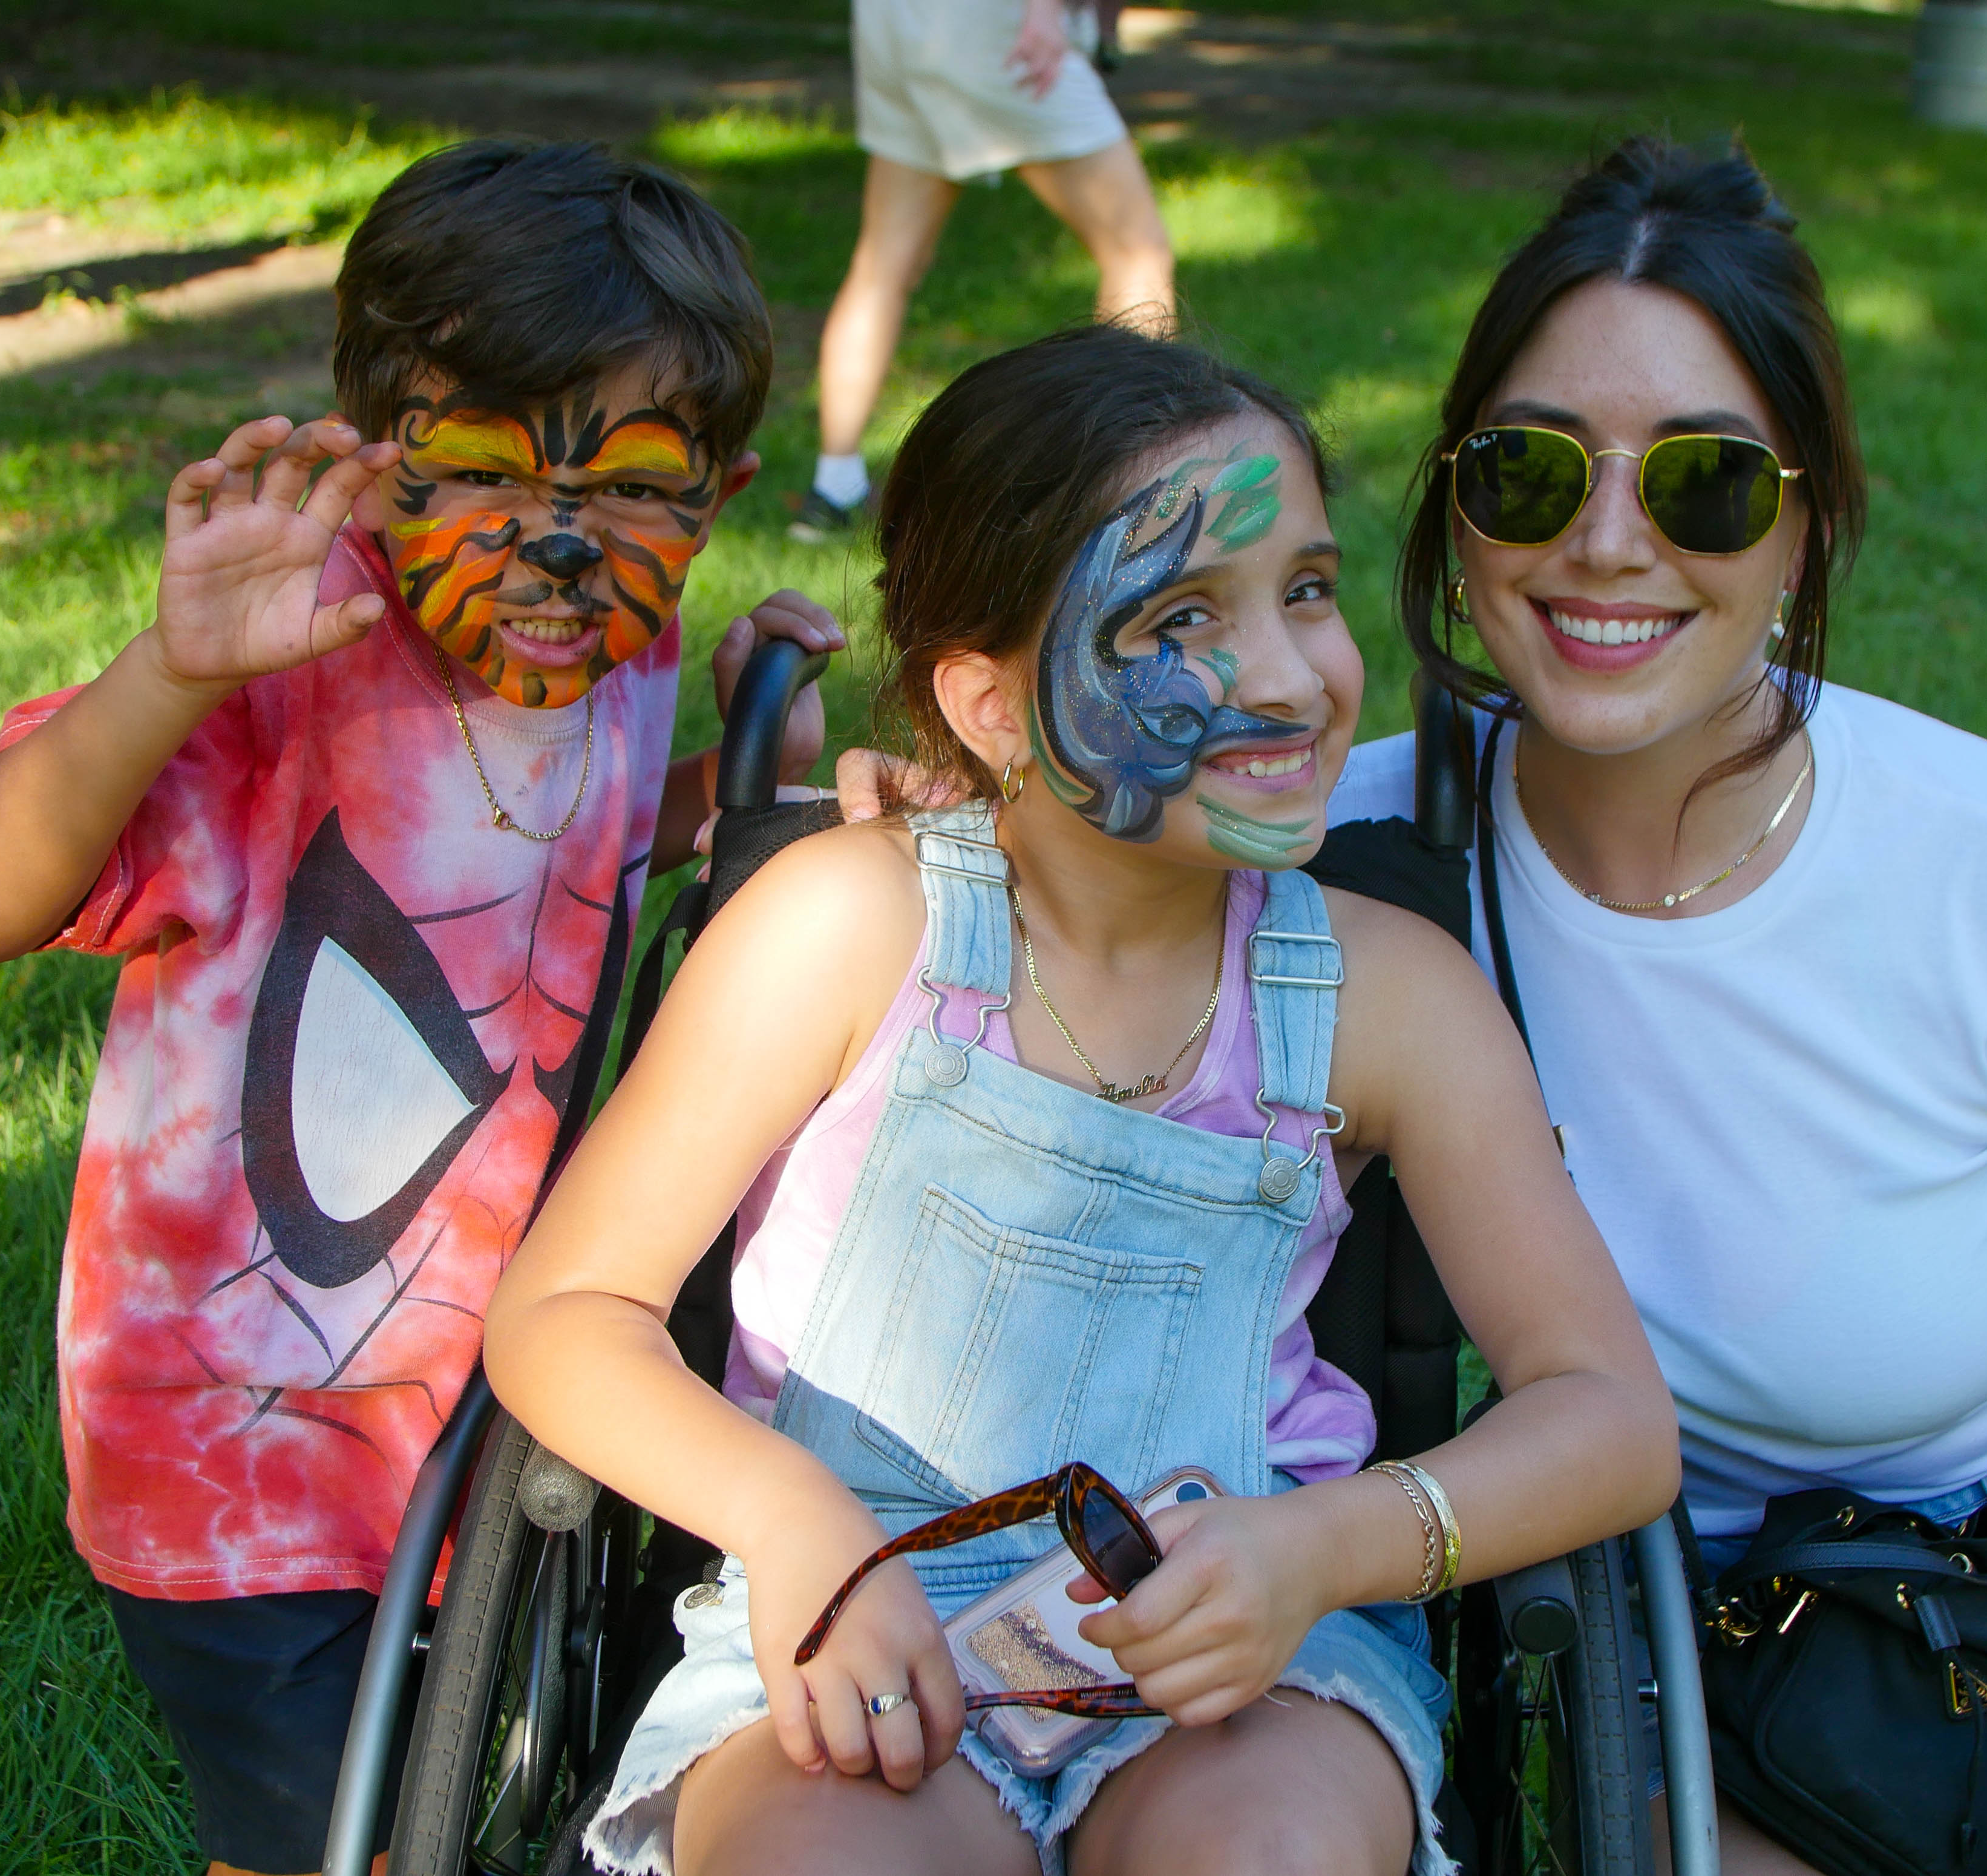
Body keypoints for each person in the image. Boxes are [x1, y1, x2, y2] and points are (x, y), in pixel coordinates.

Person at [482, 324, 1678, 1876]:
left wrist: (1320, 1548)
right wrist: (792, 1528)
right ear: (987, 706)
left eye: (1305, 589)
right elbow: (564, 1310)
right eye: (1180, 615)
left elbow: (1608, 1412)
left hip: (1246, 1626)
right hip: (855, 1585)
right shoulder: (853, 927)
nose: (1286, 672)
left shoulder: (1390, 994)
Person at [1323, 137, 1987, 1872]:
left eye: (1701, 483)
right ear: (1451, 507)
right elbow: (1053, 887)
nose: (1605, 545)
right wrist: (928, 835)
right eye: (1529, 470)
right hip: (1714, 1625)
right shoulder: (1347, 857)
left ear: (1800, 519)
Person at [0, 139, 843, 1876]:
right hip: (236, 1442)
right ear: (372, 465)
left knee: (450, 1802)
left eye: (634, 487)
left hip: (482, 1429)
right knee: (322, 1842)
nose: (560, 542)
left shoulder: (625, 664)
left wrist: (744, 763)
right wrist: (167, 670)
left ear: (720, 489)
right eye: (486, 470)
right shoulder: (288, 677)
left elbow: (588, 857)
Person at [791, 0, 1174, 541]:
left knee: (883, 265)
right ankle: (1137, 480)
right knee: (1138, 251)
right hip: (1002, 31)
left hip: (897, 31)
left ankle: (833, 488)